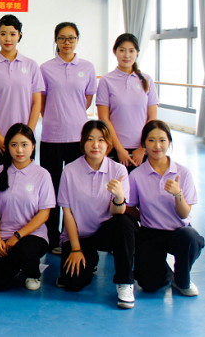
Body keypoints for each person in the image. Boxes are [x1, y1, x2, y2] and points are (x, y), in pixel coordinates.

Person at [57, 120, 138, 309]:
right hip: (80, 236)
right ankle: (90, 259)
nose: (95, 145)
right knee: (73, 283)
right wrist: (75, 249)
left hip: (106, 232)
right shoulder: (69, 171)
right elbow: (67, 213)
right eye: (90, 139)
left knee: (124, 222)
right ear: (83, 142)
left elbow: (118, 213)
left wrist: (119, 197)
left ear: (108, 144)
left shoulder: (118, 170)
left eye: (101, 140)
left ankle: (125, 282)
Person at [128, 120, 204, 297]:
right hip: (151, 232)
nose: (157, 146)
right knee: (148, 285)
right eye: (151, 140)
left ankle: (181, 278)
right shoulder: (136, 175)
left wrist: (178, 194)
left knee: (190, 237)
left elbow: (184, 214)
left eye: (162, 140)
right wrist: (144, 216)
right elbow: (129, 207)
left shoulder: (183, 173)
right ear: (144, 144)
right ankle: (164, 272)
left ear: (169, 142)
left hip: (179, 232)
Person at [39, 22, 97, 254]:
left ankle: (70, 235)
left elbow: (87, 99)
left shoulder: (87, 67)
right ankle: (52, 237)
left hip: (77, 138)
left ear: (77, 40)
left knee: (75, 190)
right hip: (51, 137)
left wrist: (72, 115)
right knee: (51, 189)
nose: (67, 42)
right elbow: (42, 101)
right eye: (62, 38)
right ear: (56, 40)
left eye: (71, 38)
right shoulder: (45, 68)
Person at [0, 124, 55, 292]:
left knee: (23, 251)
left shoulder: (42, 175)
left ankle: (33, 273)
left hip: (32, 235)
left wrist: (17, 236)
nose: (19, 150)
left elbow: (44, 214)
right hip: (4, 236)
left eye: (24, 144)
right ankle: (16, 264)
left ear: (33, 146)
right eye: (14, 145)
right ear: (7, 147)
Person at [0, 14, 45, 186]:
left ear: (19, 36)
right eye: (3, 34)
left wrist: (28, 135)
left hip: (25, 141)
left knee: (25, 186)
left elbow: (37, 103)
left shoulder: (31, 65)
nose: (8, 38)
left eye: (13, 34)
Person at [96, 33, 159, 172]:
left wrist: (143, 148)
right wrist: (119, 149)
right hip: (115, 148)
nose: (126, 55)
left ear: (137, 53)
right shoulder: (106, 81)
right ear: (115, 51)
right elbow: (104, 118)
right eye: (122, 50)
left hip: (143, 149)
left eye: (131, 51)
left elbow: (152, 118)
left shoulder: (147, 80)